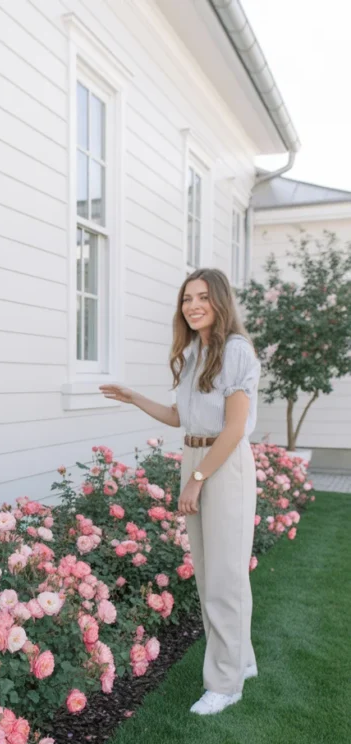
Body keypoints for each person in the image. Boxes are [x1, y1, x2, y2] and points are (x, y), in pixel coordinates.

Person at [100, 268, 261, 715]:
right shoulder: (196, 352)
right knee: (214, 574)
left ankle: (224, 683)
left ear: (220, 301)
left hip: (222, 465)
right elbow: (180, 417)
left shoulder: (235, 351)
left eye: (202, 297)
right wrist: (134, 397)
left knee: (225, 577)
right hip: (199, 457)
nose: (192, 305)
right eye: (187, 298)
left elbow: (232, 430)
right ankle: (241, 660)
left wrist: (198, 477)